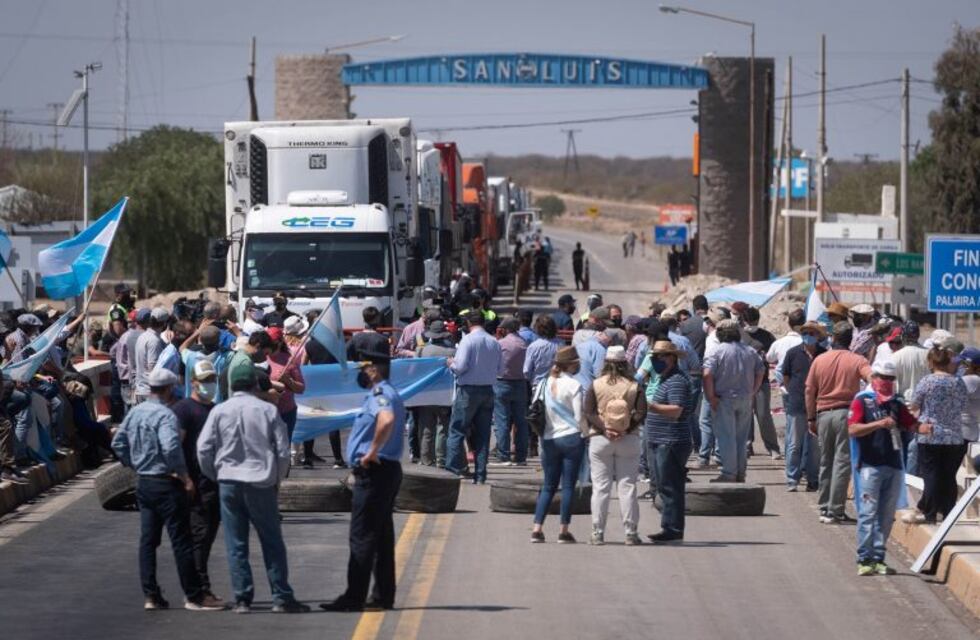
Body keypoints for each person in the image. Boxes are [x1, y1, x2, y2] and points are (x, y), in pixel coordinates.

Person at [197, 362, 308, 614]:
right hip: (261, 482)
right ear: (256, 384)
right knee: (272, 541)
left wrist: (216, 475)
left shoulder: (219, 410)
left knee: (236, 542)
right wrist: (276, 480)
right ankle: (280, 596)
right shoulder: (267, 411)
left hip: (229, 482)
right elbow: (282, 451)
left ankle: (243, 598)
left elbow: (203, 449)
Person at [111, 368, 223, 612]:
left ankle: (151, 594)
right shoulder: (166, 415)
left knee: (148, 541)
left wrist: (134, 463)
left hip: (144, 481)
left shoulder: (136, 412)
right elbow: (171, 448)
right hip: (166, 482)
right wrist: (185, 477)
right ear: (170, 388)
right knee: (181, 541)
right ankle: (194, 595)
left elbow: (118, 442)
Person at [321, 350, 406, 612]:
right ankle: (382, 595)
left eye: (363, 368)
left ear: (374, 370)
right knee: (380, 536)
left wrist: (372, 451)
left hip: (374, 472)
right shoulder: (388, 392)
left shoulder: (381, 395)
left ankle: (354, 596)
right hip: (387, 471)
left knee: (362, 536)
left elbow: (386, 420)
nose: (361, 373)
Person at [848, 359, 931, 576]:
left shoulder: (896, 404)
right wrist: (878, 424)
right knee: (867, 513)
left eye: (891, 378)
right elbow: (854, 429)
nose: (886, 382)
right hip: (870, 466)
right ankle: (864, 558)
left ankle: (878, 557)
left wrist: (924, 427)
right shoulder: (863, 401)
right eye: (883, 377)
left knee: (886, 516)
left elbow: (911, 424)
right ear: (874, 378)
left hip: (893, 465)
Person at [805, 321, 873, 524]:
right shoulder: (857, 360)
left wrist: (811, 417)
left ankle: (824, 507)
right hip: (846, 414)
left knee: (826, 461)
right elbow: (872, 379)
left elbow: (809, 390)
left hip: (823, 414)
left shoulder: (819, 360)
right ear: (850, 339)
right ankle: (836, 510)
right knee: (842, 462)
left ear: (833, 338)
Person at [584, 346, 646, 546]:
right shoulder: (634, 385)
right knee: (627, 487)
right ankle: (630, 532)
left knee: (601, 487)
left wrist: (605, 429)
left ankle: (597, 532)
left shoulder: (595, 384)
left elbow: (589, 412)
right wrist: (626, 430)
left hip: (601, 440)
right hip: (628, 439)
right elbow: (641, 412)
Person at [172, 360, 223, 604]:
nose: (209, 385)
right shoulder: (184, 410)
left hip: (213, 483)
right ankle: (198, 589)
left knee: (208, 535)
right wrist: (184, 479)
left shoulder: (215, 410)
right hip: (194, 485)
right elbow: (175, 446)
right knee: (199, 537)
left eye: (212, 380)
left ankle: (201, 587)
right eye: (205, 381)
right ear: (193, 382)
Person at [904, 346, 968, 524]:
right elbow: (962, 405)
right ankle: (948, 513)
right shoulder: (958, 382)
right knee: (948, 476)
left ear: (931, 362)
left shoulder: (927, 381)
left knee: (931, 474)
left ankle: (930, 513)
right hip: (954, 435)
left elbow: (915, 405)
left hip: (930, 433)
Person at [531, 346, 587, 544]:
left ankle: (537, 529)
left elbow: (535, 410)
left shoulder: (542, 383)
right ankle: (563, 531)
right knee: (568, 486)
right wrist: (586, 434)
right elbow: (580, 416)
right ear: (571, 364)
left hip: (548, 438)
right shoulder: (574, 385)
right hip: (572, 437)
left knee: (548, 486)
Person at [702, 320, 764, 483]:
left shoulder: (717, 351)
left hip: (724, 400)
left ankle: (729, 473)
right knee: (741, 438)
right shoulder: (750, 351)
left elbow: (707, 374)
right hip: (745, 399)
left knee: (726, 437)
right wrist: (753, 391)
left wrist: (711, 397)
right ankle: (740, 473)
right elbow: (761, 371)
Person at [445, 311, 502, 483]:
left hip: (468, 390)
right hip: (487, 390)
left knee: (456, 431)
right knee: (483, 435)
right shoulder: (494, 342)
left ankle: (453, 472)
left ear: (469, 323)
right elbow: (500, 370)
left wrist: (450, 363)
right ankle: (480, 475)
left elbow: (460, 366)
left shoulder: (467, 340)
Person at [645, 341, 692, 542]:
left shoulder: (676, 381)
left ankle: (672, 529)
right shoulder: (665, 378)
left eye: (661, 357)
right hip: (661, 438)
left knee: (670, 487)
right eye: (655, 357)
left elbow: (676, 410)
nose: (656, 361)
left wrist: (649, 406)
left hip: (670, 440)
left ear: (672, 358)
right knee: (664, 485)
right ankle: (669, 527)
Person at [781, 322, 825, 492]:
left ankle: (812, 480)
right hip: (797, 405)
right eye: (805, 332)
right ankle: (792, 478)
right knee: (794, 444)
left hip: (818, 406)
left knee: (814, 447)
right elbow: (786, 376)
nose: (808, 335)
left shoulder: (823, 355)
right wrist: (794, 392)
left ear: (817, 335)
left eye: (812, 333)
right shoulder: (793, 354)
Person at [741, 306, 782, 459]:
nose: (751, 324)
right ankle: (746, 444)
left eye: (754, 321)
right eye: (749, 321)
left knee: (764, 414)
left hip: (762, 381)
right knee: (745, 415)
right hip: (743, 382)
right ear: (744, 321)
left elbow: (775, 355)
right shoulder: (739, 335)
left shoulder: (766, 336)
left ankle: (773, 447)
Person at [417, 321, 456, 468]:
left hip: (426, 393)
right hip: (444, 395)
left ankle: (426, 459)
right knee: (443, 428)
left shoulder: (422, 351)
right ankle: (441, 459)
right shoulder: (451, 352)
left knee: (426, 428)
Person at [493, 318, 529, 466]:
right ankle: (521, 456)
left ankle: (503, 455)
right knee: (521, 421)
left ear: (505, 329)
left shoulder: (500, 344)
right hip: (520, 383)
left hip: (502, 382)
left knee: (502, 421)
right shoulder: (524, 343)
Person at [134, 307, 170, 404]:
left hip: (141, 389)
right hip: (149, 392)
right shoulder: (154, 341)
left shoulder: (143, 336)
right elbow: (153, 368)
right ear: (164, 324)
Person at [677, 294, 709, 360]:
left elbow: (681, 346)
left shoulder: (685, 324)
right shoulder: (715, 322)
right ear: (707, 307)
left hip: (693, 364)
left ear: (694, 308)